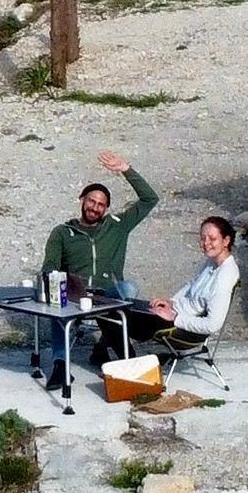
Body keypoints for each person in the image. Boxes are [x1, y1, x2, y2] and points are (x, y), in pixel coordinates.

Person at [36, 151, 156, 387]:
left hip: (107, 293)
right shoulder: (63, 232)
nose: (95, 207)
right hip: (76, 295)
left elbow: (150, 199)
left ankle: (104, 346)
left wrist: (126, 170)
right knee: (56, 305)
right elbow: (49, 265)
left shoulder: (118, 227)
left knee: (129, 287)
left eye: (101, 204)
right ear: (82, 200)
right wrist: (57, 283)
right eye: (91, 201)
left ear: (106, 208)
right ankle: (60, 364)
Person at [136, 215, 240, 363]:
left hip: (183, 329)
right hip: (176, 312)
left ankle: (125, 366)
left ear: (226, 241)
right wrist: (171, 302)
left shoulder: (225, 276)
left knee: (123, 317)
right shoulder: (211, 262)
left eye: (212, 238)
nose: (206, 243)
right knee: (125, 309)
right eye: (203, 238)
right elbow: (192, 285)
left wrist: (174, 318)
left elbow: (212, 325)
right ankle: (124, 363)